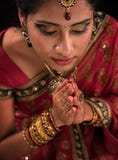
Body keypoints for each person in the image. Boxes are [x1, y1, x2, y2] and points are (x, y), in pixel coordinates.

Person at [0, 0, 118, 159]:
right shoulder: (6, 55)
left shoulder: (109, 35)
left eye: (79, 29)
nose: (65, 49)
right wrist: (53, 120)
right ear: (22, 16)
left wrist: (87, 111)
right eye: (48, 30)